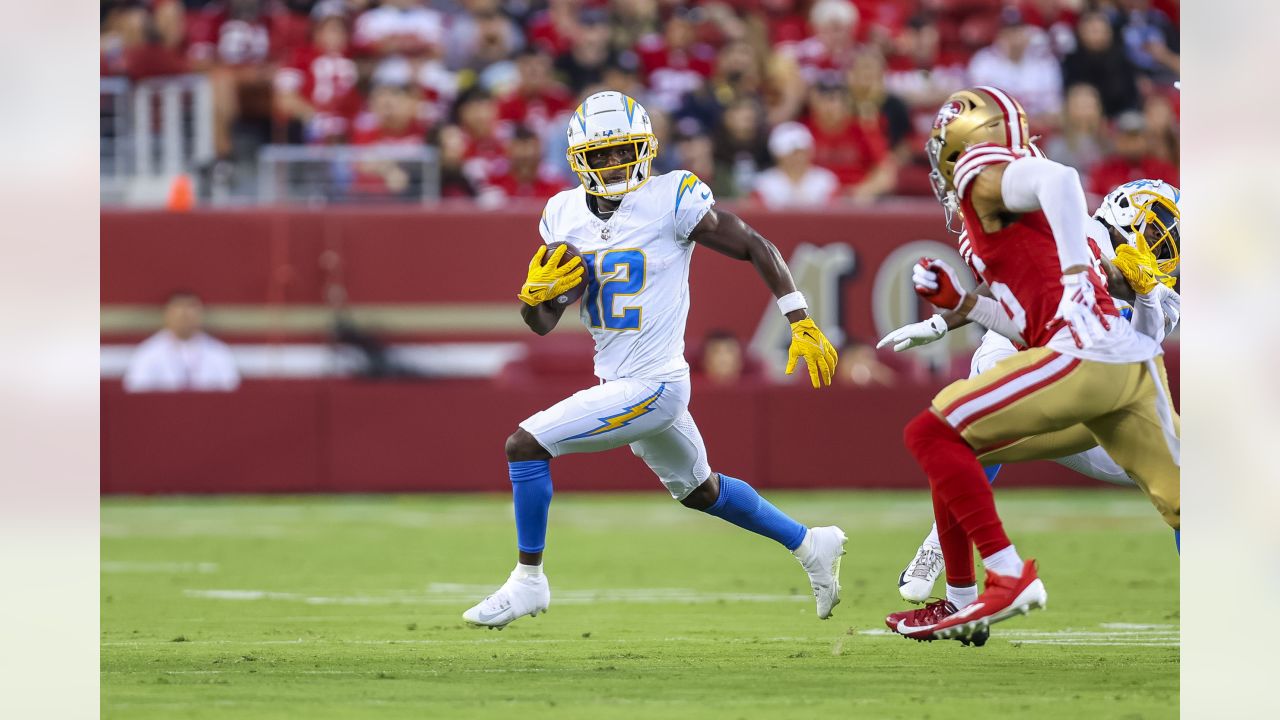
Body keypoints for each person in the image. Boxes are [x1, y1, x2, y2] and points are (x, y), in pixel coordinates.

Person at [463, 91, 846, 629]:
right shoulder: (561, 213)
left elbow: (755, 244)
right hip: (618, 379)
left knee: (525, 445)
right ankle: (811, 545)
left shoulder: (674, 196)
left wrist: (799, 317)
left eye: (625, 151)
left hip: (655, 384)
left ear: (646, 148)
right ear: (580, 159)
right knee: (701, 490)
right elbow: (546, 320)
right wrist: (534, 301)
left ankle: (528, 581)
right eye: (603, 155)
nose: (616, 163)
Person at [880, 86, 1179, 643]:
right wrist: (958, 308)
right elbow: (1025, 316)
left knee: (941, 432)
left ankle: (1002, 578)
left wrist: (1106, 285)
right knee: (1187, 499)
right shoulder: (1040, 226)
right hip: (1117, 370)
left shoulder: (983, 171)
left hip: (1084, 359)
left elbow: (1060, 181)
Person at [123, 291, 241, 393]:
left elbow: (231, 391)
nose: (184, 314)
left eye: (190, 307)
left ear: (201, 313)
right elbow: (137, 391)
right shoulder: (147, 353)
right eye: (178, 308)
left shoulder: (219, 353)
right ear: (167, 314)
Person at [967, 9, 1062, 129]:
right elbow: (979, 108)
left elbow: (1054, 111)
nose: (1014, 38)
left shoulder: (1045, 62)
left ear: (1028, 33)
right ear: (999, 36)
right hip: (998, 131)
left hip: (1038, 132)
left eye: (1018, 31)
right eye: (1008, 32)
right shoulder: (983, 62)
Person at [751, 121, 839, 209]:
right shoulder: (764, 184)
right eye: (791, 153)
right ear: (777, 155)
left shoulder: (826, 181)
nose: (798, 157)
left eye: (802, 151)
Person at [1088, 110, 1177, 195]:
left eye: (1136, 137)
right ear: (1117, 140)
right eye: (1126, 138)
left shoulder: (1163, 170)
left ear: (1146, 139)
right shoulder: (1103, 171)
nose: (1131, 144)